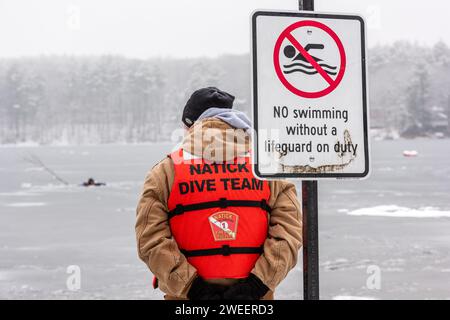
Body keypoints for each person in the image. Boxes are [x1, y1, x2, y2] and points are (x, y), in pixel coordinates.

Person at [135, 87, 302, 300]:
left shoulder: (166, 171)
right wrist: (257, 285)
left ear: (189, 125)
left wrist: (193, 288)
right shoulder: (267, 166)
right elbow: (289, 231)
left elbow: (149, 239)